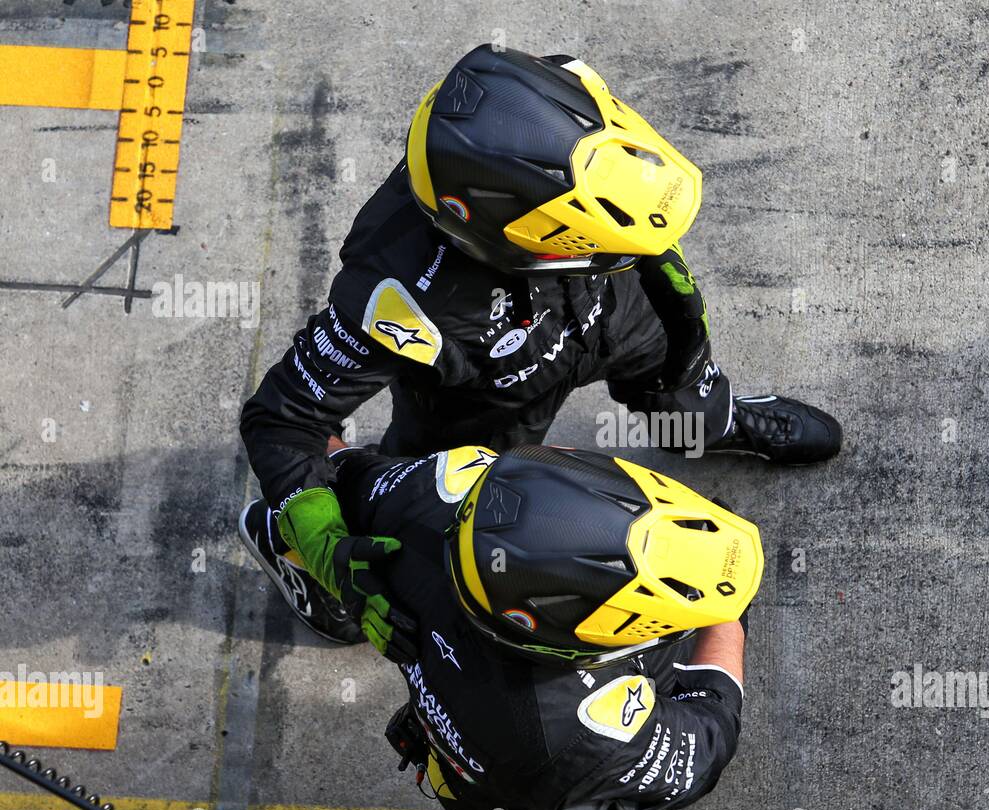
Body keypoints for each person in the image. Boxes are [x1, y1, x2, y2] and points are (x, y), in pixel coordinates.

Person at [239, 43, 837, 648]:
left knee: (679, 381)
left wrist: (633, 255)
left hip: (610, 311)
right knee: (434, 544)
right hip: (489, 405)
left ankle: (710, 423)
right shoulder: (398, 295)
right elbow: (283, 423)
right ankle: (300, 560)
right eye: (590, 243)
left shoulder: (550, 99)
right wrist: (327, 546)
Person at [239, 440, 762, 810]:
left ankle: (273, 540)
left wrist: (320, 545)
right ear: (557, 638)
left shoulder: (439, 489)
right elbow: (705, 740)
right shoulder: (580, 734)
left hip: (469, 758)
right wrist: (726, 617)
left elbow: (317, 455)